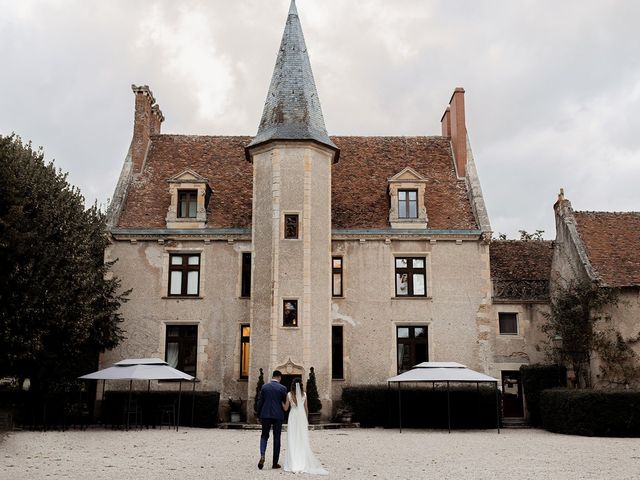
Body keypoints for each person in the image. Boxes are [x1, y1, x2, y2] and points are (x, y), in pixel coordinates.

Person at [282, 378, 328, 475]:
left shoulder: (289, 395)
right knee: (301, 439)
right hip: (301, 417)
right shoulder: (304, 395)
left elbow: (286, 409)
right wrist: (305, 420)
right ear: (301, 385)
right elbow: (306, 409)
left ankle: (293, 462)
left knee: (292, 439)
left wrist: (281, 403)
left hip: (293, 417)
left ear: (293, 385)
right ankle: (302, 461)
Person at [256, 369, 287, 470]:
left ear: (273, 376)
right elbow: (284, 403)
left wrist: (258, 414)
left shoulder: (265, 387)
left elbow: (260, 402)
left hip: (265, 415)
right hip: (278, 416)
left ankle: (262, 456)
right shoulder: (283, 388)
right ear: (279, 377)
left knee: (264, 436)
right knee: (277, 438)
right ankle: (275, 463)